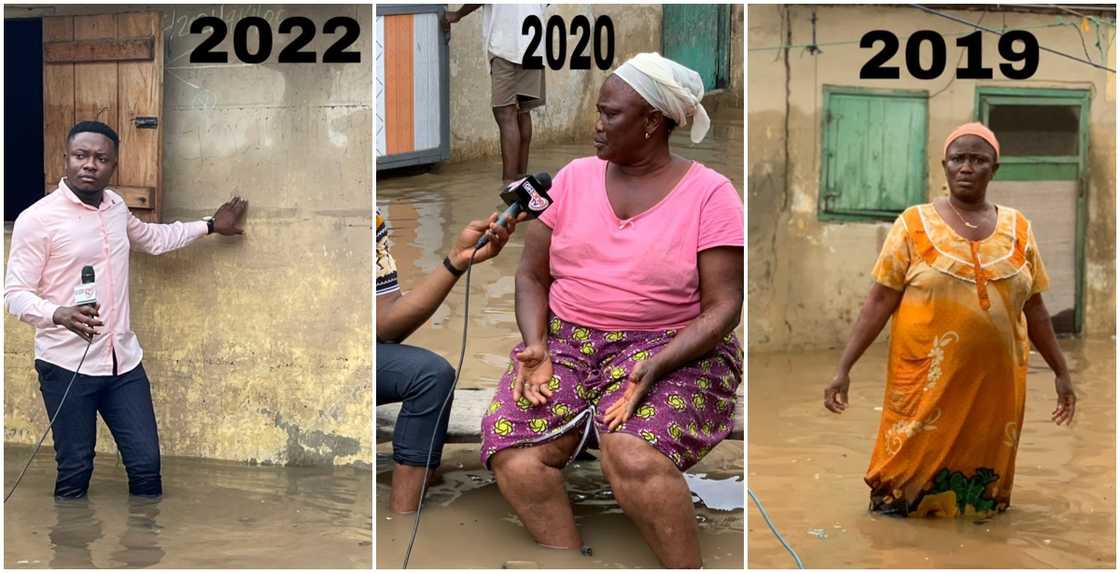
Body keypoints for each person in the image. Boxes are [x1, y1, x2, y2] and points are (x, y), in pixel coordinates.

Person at [479, 53, 742, 568]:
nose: (596, 125)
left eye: (611, 114)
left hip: (676, 348)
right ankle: (568, 559)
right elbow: (533, 275)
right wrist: (536, 344)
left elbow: (724, 307)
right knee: (514, 454)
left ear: (651, 122)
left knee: (632, 452)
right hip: (567, 343)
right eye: (599, 111)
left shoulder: (711, 195)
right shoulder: (574, 179)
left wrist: (656, 365)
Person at [823, 122, 1077, 518]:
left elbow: (1036, 308)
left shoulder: (1019, 229)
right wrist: (844, 368)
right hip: (925, 382)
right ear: (944, 165)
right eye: (958, 158)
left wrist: (1061, 371)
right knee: (900, 497)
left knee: (980, 505)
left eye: (979, 160)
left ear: (995, 169)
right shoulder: (913, 224)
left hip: (996, 389)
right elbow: (879, 300)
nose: (967, 167)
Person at [5, 120, 249, 498]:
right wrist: (59, 313)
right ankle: (70, 551)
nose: (90, 164)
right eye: (81, 156)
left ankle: (144, 550)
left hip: (123, 363)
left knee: (147, 466)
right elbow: (15, 294)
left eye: (101, 158)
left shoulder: (116, 206)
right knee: (75, 469)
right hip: (66, 365)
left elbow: (153, 239)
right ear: (65, 159)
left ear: (113, 165)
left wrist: (210, 225)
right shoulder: (37, 219)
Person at [376, 207, 524, 513]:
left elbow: (384, 324)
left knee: (431, 376)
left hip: (344, 356)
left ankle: (402, 520)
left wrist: (456, 259)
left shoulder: (368, 213)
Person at [444, 4, 546, 184]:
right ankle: (521, 176)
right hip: (534, 43)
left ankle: (508, 182)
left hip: (506, 45)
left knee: (505, 114)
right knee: (523, 111)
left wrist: (457, 14)